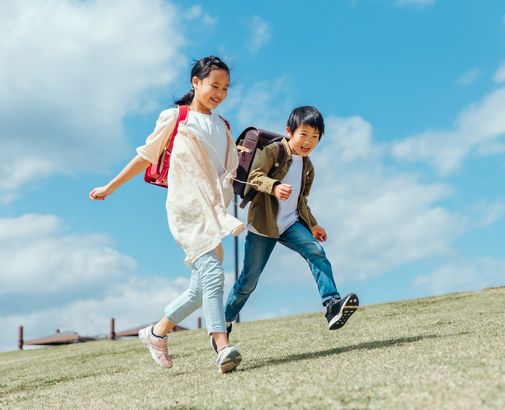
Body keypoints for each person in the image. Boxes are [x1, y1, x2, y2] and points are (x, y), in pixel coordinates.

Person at [89, 56, 243, 373]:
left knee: (200, 288)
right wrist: (112, 185)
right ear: (196, 82)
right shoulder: (176, 117)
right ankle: (221, 343)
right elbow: (145, 157)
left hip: (215, 210)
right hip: (187, 207)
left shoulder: (223, 126)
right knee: (214, 274)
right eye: (214, 85)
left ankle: (155, 333)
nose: (220, 93)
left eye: (225, 88)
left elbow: (229, 171)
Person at [216, 106, 359, 352]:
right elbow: (256, 176)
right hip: (264, 223)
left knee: (316, 251)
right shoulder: (274, 151)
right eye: (304, 134)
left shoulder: (308, 166)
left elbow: (302, 200)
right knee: (248, 282)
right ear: (289, 131)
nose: (309, 142)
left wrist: (313, 224)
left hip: (291, 223)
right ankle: (223, 323)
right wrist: (274, 187)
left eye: (315, 137)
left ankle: (332, 305)